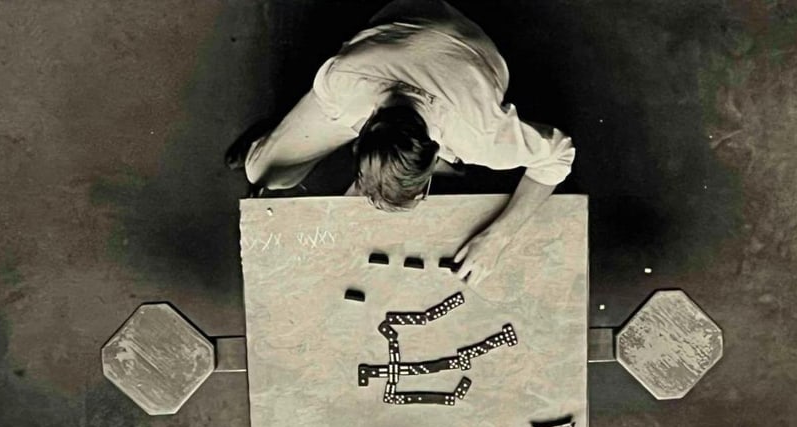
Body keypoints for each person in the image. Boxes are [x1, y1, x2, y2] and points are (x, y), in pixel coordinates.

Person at [227, 0, 576, 287]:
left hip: (468, 50)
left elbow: (560, 154)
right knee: (261, 170)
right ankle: (268, 141)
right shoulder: (340, 82)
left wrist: (499, 237)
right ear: (358, 142)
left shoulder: (481, 135)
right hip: (401, 20)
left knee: (271, 167)